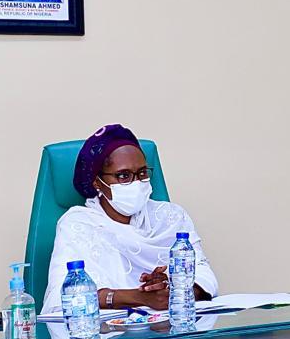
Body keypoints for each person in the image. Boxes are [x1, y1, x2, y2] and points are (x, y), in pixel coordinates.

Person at [41, 124, 217, 314]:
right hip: (109, 336)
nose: (135, 182)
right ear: (97, 182)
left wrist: (177, 292)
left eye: (142, 173)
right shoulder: (77, 224)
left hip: (173, 328)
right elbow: (64, 296)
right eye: (123, 176)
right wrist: (139, 297)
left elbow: (204, 273)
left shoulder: (172, 216)